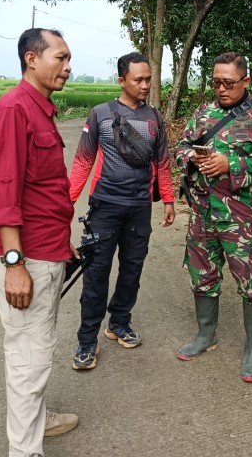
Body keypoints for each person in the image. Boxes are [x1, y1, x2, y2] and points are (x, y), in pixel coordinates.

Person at [0, 28, 79, 456]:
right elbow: (4, 192)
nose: (68, 66)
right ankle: (25, 449)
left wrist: (64, 244)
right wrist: (14, 263)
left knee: (37, 346)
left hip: (48, 247)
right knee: (28, 357)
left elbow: (44, 190)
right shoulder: (12, 111)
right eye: (60, 57)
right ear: (31, 59)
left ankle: (38, 420)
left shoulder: (41, 111)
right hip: (27, 257)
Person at [175, 51, 252, 383]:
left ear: (246, 81)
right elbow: (180, 145)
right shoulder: (203, 113)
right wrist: (192, 158)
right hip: (201, 214)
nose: (221, 89)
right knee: (202, 276)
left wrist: (231, 165)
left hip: (240, 220)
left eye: (228, 83)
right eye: (216, 83)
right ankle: (206, 335)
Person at [68, 51, 175, 371]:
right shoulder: (100, 114)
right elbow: (83, 161)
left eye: (148, 79)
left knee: (132, 270)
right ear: (121, 80)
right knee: (96, 273)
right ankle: (87, 339)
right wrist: (65, 203)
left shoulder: (155, 118)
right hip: (104, 207)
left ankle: (119, 323)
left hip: (140, 208)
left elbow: (163, 163)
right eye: (138, 79)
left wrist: (168, 199)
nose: (145, 85)